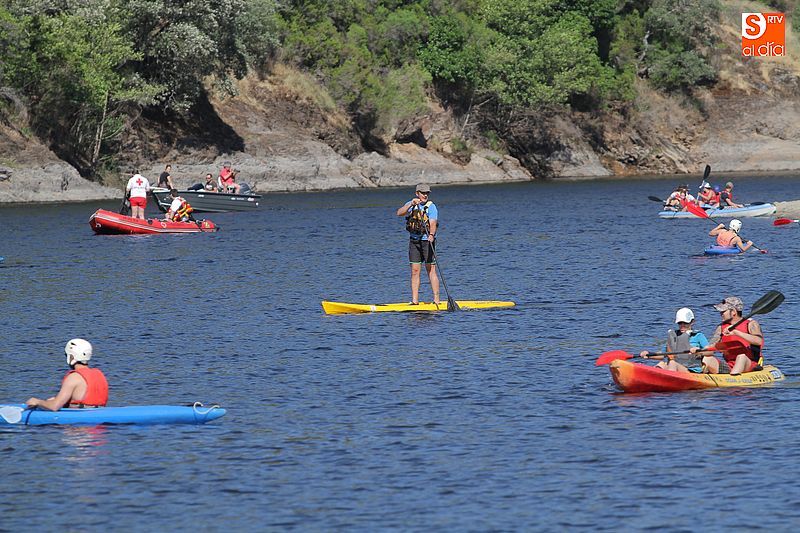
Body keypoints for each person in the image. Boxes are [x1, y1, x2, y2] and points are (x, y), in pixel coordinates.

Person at [26, 339, 109, 411]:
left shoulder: (74, 377)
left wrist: (37, 402)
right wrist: (55, 400)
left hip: (79, 421)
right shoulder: (99, 374)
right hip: (99, 415)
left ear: (71, 357)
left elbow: (54, 406)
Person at [396, 183, 440, 305]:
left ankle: (436, 300)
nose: (425, 195)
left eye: (427, 193)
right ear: (417, 193)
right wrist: (411, 204)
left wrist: (431, 235)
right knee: (415, 271)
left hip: (427, 241)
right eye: (423, 193)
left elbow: (433, 223)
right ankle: (415, 301)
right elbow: (399, 213)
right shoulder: (411, 204)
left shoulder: (431, 207)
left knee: (430, 269)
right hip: (414, 241)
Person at [639, 307, 712, 372]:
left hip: (691, 370)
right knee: (661, 364)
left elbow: (710, 352)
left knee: (672, 363)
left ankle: (668, 380)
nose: (682, 325)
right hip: (675, 368)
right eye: (680, 323)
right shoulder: (674, 337)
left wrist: (699, 351)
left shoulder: (698, 336)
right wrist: (649, 355)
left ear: (692, 322)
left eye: (685, 323)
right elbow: (662, 355)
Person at [705, 297, 764, 375]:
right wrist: (699, 351)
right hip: (730, 365)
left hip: (750, 364)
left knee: (741, 356)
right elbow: (711, 347)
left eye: (723, 311)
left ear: (733, 312)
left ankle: (734, 378)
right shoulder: (721, 327)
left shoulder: (751, 324)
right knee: (707, 359)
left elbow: (759, 341)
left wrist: (736, 332)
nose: (721, 314)